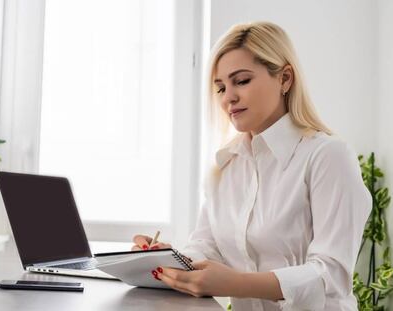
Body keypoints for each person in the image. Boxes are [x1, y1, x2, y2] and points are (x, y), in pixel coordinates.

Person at [132, 21, 371, 310]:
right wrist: (172, 261)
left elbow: (330, 275)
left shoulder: (328, 156)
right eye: (220, 88)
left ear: (285, 79)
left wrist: (235, 283)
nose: (228, 97)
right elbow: (208, 247)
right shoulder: (226, 165)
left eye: (241, 81)